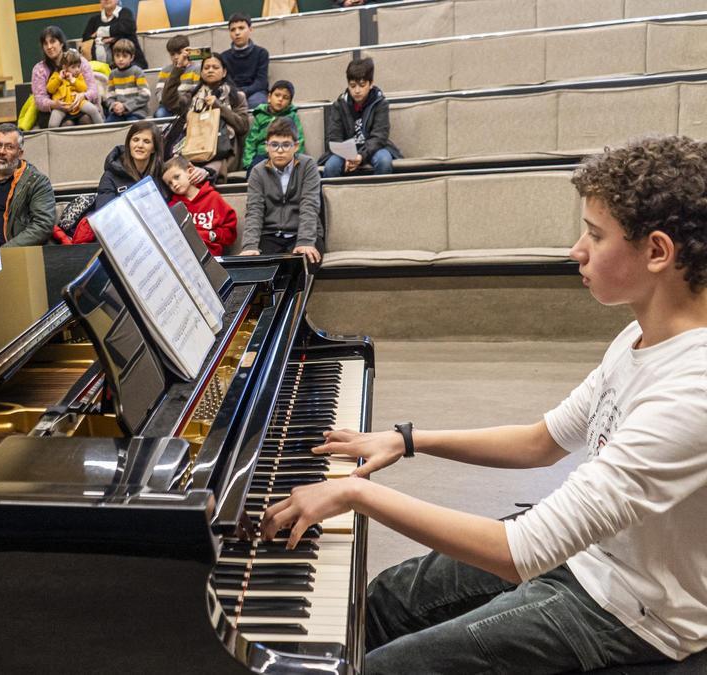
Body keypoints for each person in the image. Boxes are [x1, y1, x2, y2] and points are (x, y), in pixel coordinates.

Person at [260, 134, 707, 673]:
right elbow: (541, 443)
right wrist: (408, 440)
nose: (576, 249)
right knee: (379, 602)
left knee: (384, 667)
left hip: (633, 613)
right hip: (589, 557)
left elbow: (520, 552)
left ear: (658, 251)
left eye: (594, 234)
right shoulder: (638, 337)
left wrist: (358, 495)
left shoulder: (690, 392)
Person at [238, 117, 321, 261]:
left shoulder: (308, 165)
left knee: (304, 264)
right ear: (266, 146)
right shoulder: (257, 171)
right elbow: (254, 211)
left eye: (286, 145)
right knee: (257, 267)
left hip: (303, 233)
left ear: (296, 146)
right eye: (274, 145)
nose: (280, 151)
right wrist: (249, 246)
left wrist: (305, 241)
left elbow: (310, 204)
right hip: (270, 234)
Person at [161, 53, 251, 181]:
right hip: (191, 151)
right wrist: (179, 68)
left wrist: (218, 106)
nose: (210, 70)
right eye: (206, 67)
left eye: (215, 67)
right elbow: (168, 101)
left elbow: (243, 126)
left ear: (224, 72)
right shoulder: (192, 96)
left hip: (222, 154)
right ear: (201, 73)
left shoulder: (236, 96)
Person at [0, 124, 55, 247]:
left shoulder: (37, 182)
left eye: (9, 147)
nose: (1, 152)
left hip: (20, 255)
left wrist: (5, 251)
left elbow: (43, 225)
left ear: (20, 153)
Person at [95, 121, 210, 210]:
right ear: (128, 144)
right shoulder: (110, 176)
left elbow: (188, 187)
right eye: (135, 140)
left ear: (154, 148)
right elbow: (104, 214)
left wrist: (204, 172)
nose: (140, 145)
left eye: (146, 141)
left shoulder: (163, 173)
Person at [320, 56, 400, 177]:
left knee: (383, 161)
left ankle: (378, 196)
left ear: (371, 83)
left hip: (374, 150)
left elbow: (379, 137)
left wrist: (361, 156)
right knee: (331, 166)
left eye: (362, 85)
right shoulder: (339, 105)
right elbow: (334, 137)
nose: (357, 90)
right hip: (345, 153)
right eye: (352, 86)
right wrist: (348, 156)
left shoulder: (380, 103)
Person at [163, 155, 237, 256]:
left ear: (190, 171)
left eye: (176, 177)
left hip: (213, 258)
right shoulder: (173, 207)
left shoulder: (213, 197)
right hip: (186, 258)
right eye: (169, 183)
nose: (174, 184)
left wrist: (212, 235)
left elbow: (230, 232)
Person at [31, 26, 100, 130]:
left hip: (78, 105)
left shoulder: (80, 62)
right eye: (45, 43)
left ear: (61, 43)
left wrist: (83, 96)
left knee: (86, 119)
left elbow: (93, 90)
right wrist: (54, 104)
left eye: (53, 41)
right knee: (67, 124)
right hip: (54, 110)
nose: (49, 46)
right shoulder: (39, 69)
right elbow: (40, 100)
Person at [242, 79, 307, 173]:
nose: (280, 99)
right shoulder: (260, 115)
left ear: (289, 103)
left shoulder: (292, 116)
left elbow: (299, 139)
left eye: (285, 97)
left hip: (285, 154)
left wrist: (296, 158)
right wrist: (248, 162)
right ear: (269, 97)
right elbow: (251, 141)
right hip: (263, 154)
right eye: (277, 95)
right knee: (254, 170)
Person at [219, 13, 270, 109]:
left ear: (250, 29)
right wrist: (236, 93)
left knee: (256, 104)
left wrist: (244, 92)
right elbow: (226, 82)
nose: (237, 33)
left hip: (256, 92)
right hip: (232, 93)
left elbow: (261, 82)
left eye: (241, 28)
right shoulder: (224, 57)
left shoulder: (261, 53)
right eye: (233, 30)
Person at [46, 49, 105, 127]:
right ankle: (53, 138)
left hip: (78, 103)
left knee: (93, 109)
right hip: (62, 106)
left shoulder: (79, 76)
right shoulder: (56, 75)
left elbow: (84, 88)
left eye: (78, 66)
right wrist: (59, 79)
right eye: (73, 67)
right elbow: (50, 89)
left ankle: (103, 128)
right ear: (64, 67)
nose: (77, 69)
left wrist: (73, 81)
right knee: (52, 124)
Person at [80, 0, 147, 68]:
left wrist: (101, 33)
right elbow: (86, 40)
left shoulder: (125, 13)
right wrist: (101, 40)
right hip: (101, 68)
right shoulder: (94, 20)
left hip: (131, 65)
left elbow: (127, 28)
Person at [154, 35, 201, 118]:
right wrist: (168, 101)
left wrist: (182, 102)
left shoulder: (196, 68)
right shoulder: (165, 70)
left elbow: (196, 91)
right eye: (172, 54)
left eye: (179, 53)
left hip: (187, 104)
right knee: (160, 114)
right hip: (168, 105)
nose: (176, 57)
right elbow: (159, 91)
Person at [104, 39, 150, 123]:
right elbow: (109, 96)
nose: (120, 59)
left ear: (131, 57)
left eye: (124, 56)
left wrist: (125, 106)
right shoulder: (112, 74)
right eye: (117, 56)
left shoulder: (137, 72)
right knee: (108, 124)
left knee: (131, 124)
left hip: (136, 111)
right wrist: (114, 105)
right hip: (118, 112)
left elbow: (145, 94)